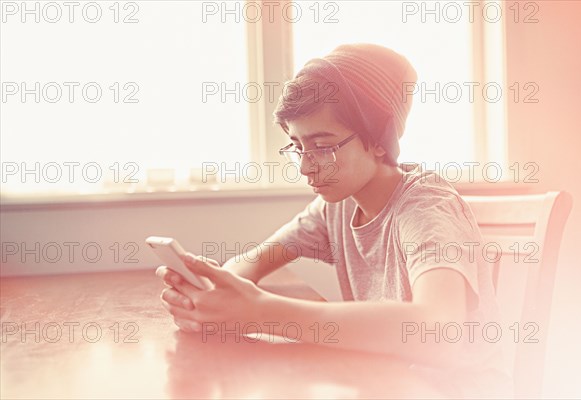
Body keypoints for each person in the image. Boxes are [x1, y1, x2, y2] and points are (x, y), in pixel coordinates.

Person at [156, 43, 512, 398]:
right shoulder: (336, 207)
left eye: (322, 146)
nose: (306, 166)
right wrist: (208, 299)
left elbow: (438, 331)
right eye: (297, 146)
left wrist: (262, 312)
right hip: (384, 383)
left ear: (378, 139)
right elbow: (250, 264)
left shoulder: (426, 207)